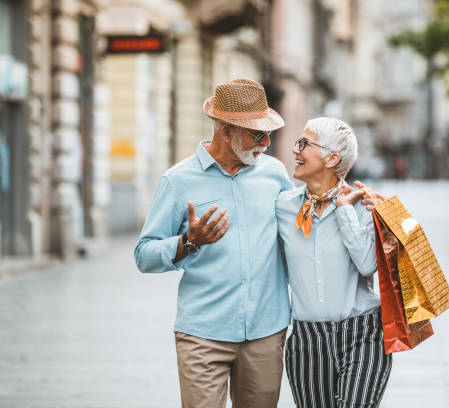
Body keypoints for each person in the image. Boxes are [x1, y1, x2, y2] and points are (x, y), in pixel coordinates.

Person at [134, 79, 294, 408]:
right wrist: (189, 241)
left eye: (268, 133)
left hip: (266, 330)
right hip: (202, 333)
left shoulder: (275, 174)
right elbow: (144, 255)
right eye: (257, 134)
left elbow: (301, 231)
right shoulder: (178, 181)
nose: (266, 142)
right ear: (226, 132)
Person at [276, 117, 392, 408]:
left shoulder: (364, 205)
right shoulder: (283, 207)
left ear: (332, 158)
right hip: (307, 340)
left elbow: (366, 264)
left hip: (363, 334)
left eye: (304, 144)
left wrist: (344, 210)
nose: (295, 150)